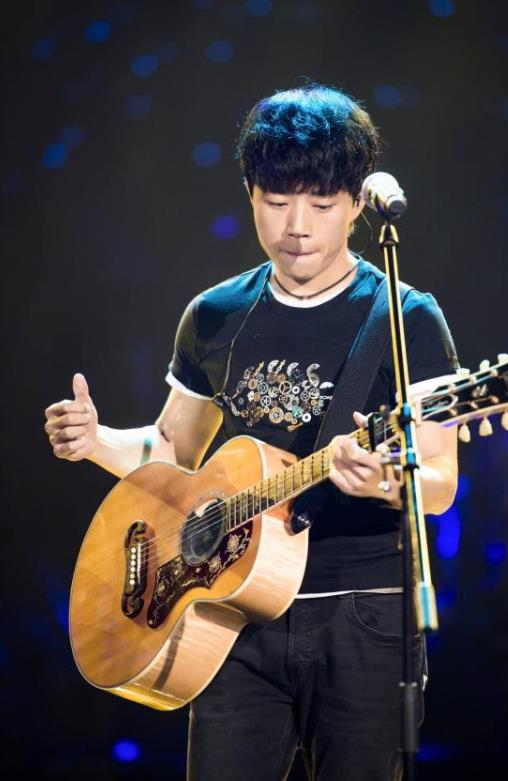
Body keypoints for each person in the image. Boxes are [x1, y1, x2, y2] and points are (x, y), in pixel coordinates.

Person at [44, 83, 459, 780]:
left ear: (357, 203)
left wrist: (384, 481)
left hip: (362, 616)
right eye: (276, 201)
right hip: (230, 615)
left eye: (321, 205)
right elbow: (171, 453)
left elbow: (439, 483)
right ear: (249, 193)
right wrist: (96, 441)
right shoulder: (214, 314)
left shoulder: (406, 317)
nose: (297, 226)